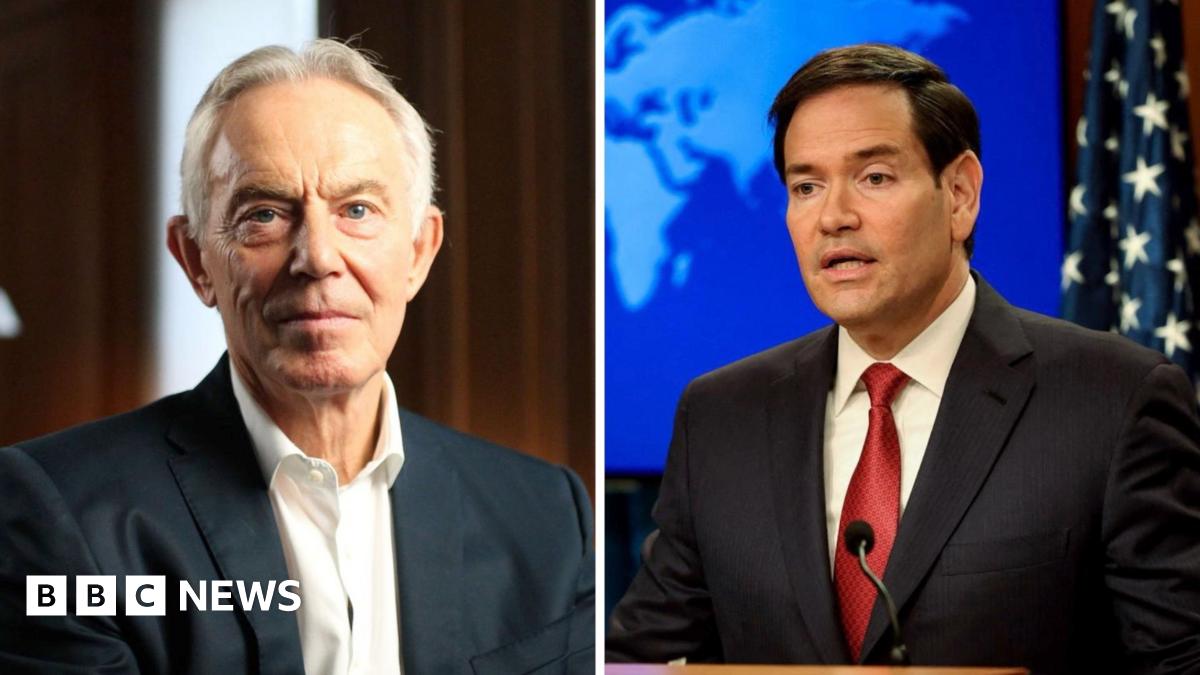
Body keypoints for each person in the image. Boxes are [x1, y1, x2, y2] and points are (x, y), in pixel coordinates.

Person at [0, 40, 593, 675]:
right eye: (264, 215)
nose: (318, 258)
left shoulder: (548, 515)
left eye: (357, 210)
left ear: (420, 251)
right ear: (196, 260)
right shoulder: (56, 511)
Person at [607, 43, 1200, 673]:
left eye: (874, 178)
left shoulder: (1113, 399)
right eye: (805, 186)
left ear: (960, 194)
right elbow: (643, 656)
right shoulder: (721, 415)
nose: (833, 217)